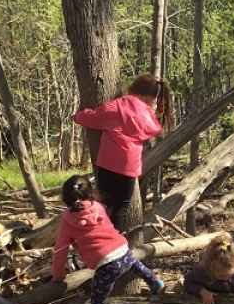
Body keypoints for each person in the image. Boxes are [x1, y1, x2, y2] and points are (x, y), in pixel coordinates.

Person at [52, 175, 165, 304]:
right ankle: (154, 282)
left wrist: (57, 275)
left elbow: (60, 251)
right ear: (90, 192)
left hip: (106, 264)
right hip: (122, 248)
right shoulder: (98, 207)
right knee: (133, 263)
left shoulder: (67, 220)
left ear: (65, 199)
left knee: (98, 303)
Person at [73, 73, 171, 230]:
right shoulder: (147, 115)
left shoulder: (118, 105)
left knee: (103, 204)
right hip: (129, 170)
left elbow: (95, 118)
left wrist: (78, 116)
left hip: (108, 165)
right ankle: (115, 238)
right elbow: (156, 128)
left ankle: (97, 236)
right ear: (151, 98)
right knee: (121, 208)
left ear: (133, 89)